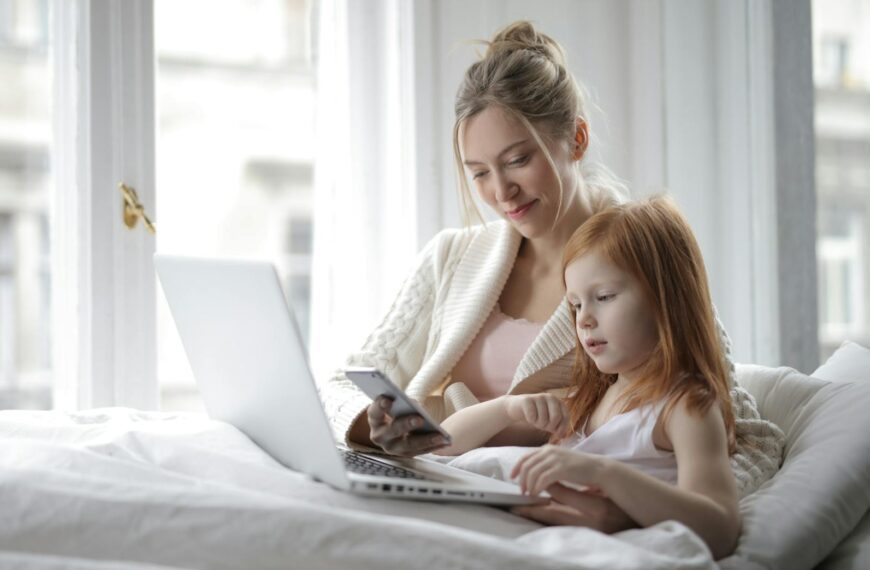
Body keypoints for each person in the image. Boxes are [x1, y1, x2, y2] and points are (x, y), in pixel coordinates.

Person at [320, 20, 783, 530]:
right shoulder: (451, 257)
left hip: (535, 515)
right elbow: (342, 385)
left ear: (577, 139)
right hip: (435, 484)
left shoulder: (641, 262)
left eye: (518, 160)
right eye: (479, 172)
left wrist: (630, 508)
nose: (501, 192)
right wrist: (374, 426)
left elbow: (747, 438)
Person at [434, 196, 741, 559]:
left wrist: (601, 472)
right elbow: (443, 444)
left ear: (666, 298)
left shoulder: (685, 406)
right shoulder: (588, 399)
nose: (584, 320)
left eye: (604, 297)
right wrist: (509, 407)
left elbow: (719, 527)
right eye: (576, 305)